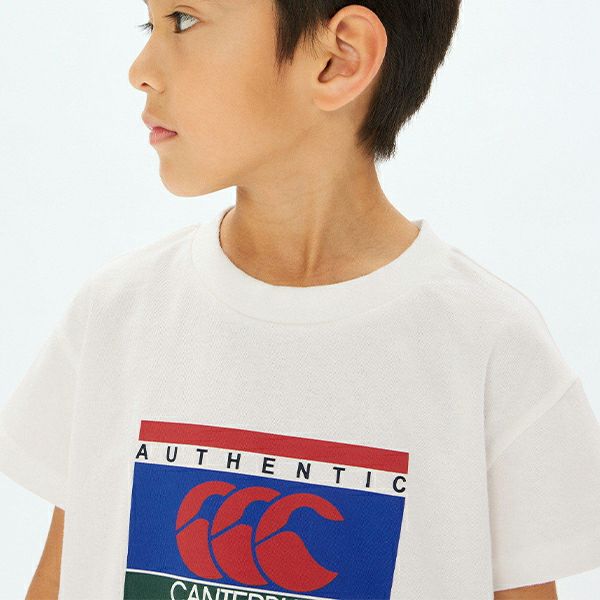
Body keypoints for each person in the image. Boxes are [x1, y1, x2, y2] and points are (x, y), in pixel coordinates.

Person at [1, 1, 599, 599]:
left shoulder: (491, 350)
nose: (140, 70)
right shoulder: (115, 317)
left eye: (182, 20)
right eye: (148, 24)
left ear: (338, 59)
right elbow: (61, 577)